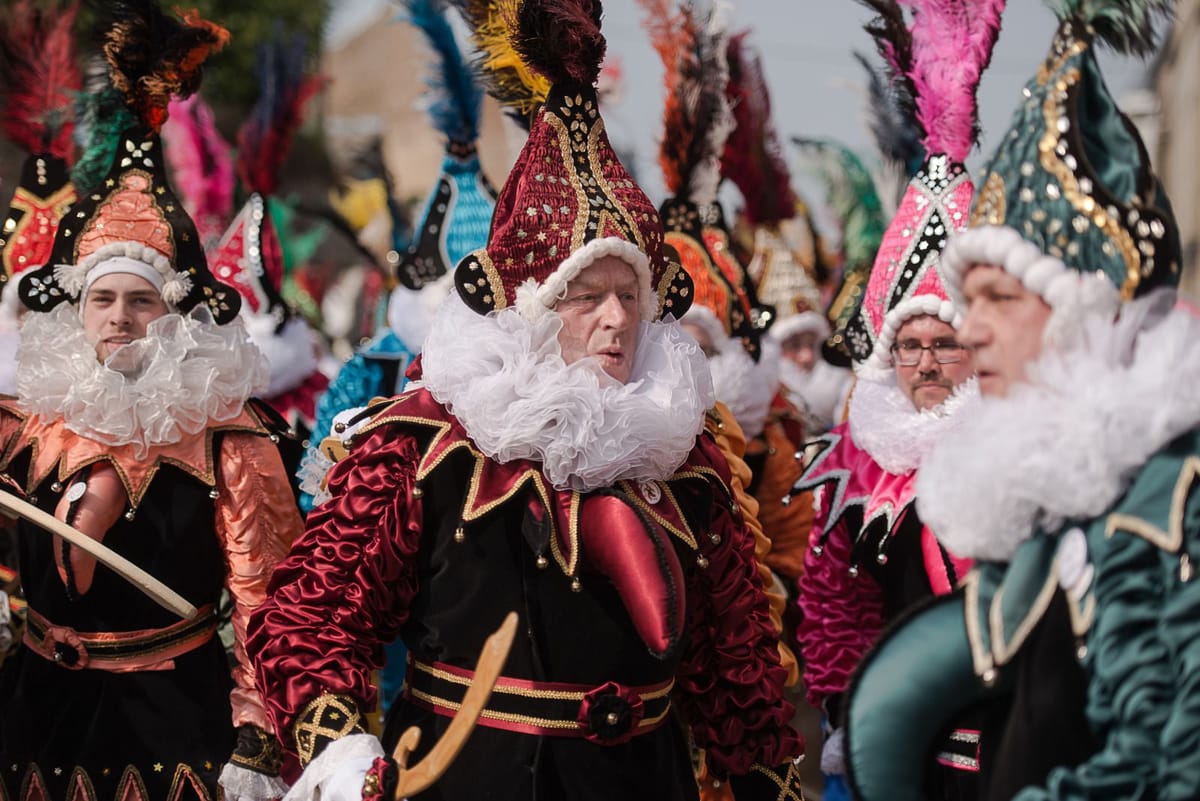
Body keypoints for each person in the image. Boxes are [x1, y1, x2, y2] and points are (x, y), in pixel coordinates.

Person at [248, 2, 803, 800]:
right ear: (530, 307)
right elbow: (313, 618)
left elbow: (736, 669)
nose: (617, 319)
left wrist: (769, 779)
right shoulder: (427, 442)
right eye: (587, 294)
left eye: (630, 295)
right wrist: (337, 746)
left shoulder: (687, 456)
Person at [844, 2, 1200, 801]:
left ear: (1080, 305)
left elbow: (1163, 762)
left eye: (998, 297)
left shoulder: (1175, 504)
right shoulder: (1060, 488)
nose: (969, 333)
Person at [0, 7, 302, 801]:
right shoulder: (28, 422)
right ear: (76, 310)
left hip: (181, 732)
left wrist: (257, 736)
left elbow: (268, 603)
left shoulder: (229, 437)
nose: (120, 319)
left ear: (176, 314)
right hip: (34, 724)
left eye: (141, 301)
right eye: (101, 300)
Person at [793, 1, 1002, 796]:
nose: (923, 361)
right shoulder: (858, 463)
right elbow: (833, 598)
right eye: (907, 345)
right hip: (900, 746)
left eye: (942, 342)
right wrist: (851, 708)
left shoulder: (1025, 450)